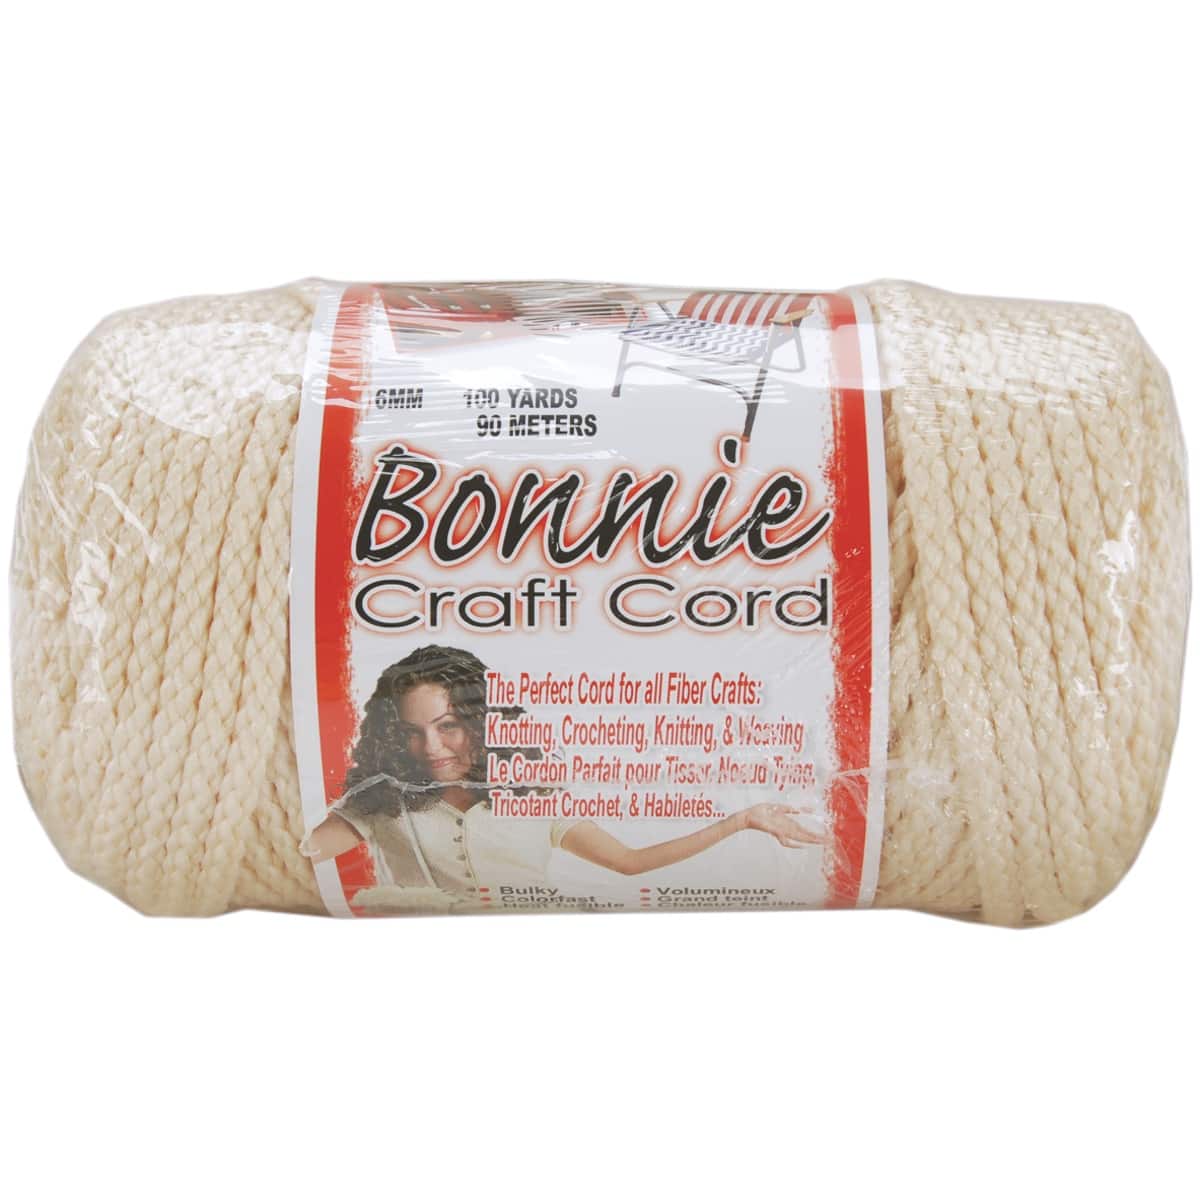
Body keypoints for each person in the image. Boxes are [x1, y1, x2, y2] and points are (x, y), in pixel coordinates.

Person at [303, 645, 821, 897]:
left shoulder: (534, 794)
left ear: (483, 721)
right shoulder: (384, 801)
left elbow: (630, 862)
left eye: (449, 726)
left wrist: (741, 820)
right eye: (413, 732)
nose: (431, 748)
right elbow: (302, 853)